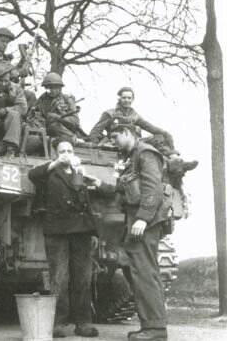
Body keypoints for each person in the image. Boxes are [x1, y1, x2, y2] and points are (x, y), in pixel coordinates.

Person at [89, 124, 169, 341]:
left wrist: (143, 217)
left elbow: (153, 188)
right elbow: (123, 189)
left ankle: (155, 329)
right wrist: (99, 184)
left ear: (127, 133)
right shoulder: (132, 158)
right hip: (135, 221)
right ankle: (152, 326)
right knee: (139, 272)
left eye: (115, 137)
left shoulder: (145, 153)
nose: (113, 142)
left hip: (145, 223)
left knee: (144, 273)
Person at [28, 138, 99, 338]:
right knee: (59, 277)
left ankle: (83, 323)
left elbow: (86, 204)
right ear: (56, 154)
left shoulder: (80, 173)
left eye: (70, 150)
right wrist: (56, 163)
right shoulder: (49, 171)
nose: (67, 153)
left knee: (83, 278)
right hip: (57, 231)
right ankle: (58, 323)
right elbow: (32, 175)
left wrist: (93, 232)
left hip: (81, 232)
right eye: (62, 151)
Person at [88, 87, 176, 155]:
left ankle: (172, 159)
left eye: (129, 98)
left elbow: (150, 127)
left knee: (159, 138)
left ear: (132, 99)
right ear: (119, 99)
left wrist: (165, 133)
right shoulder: (110, 114)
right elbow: (95, 131)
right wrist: (96, 147)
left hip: (134, 143)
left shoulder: (135, 115)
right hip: (115, 143)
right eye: (124, 98)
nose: (127, 100)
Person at [28, 72, 81, 139]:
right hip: (44, 130)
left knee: (54, 126)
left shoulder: (67, 100)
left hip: (63, 131)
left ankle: (72, 138)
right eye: (49, 88)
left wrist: (59, 118)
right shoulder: (42, 99)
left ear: (60, 88)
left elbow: (75, 121)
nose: (52, 90)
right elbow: (33, 114)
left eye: (55, 88)